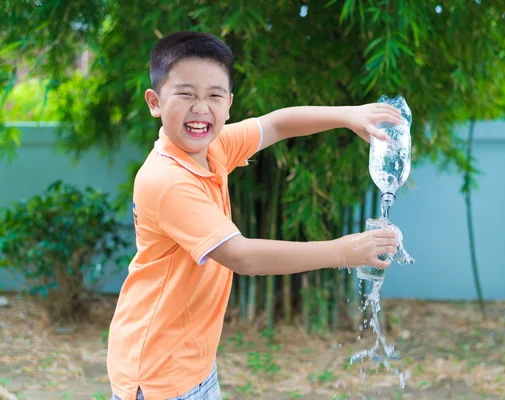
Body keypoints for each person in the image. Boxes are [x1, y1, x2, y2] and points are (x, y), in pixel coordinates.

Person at [107, 30, 404, 400]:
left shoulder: (212, 149)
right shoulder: (167, 180)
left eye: (214, 95)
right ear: (154, 101)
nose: (201, 107)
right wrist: (343, 251)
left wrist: (349, 115)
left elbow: (276, 124)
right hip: (157, 374)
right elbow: (241, 256)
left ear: (229, 103)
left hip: (190, 362)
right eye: (186, 94)